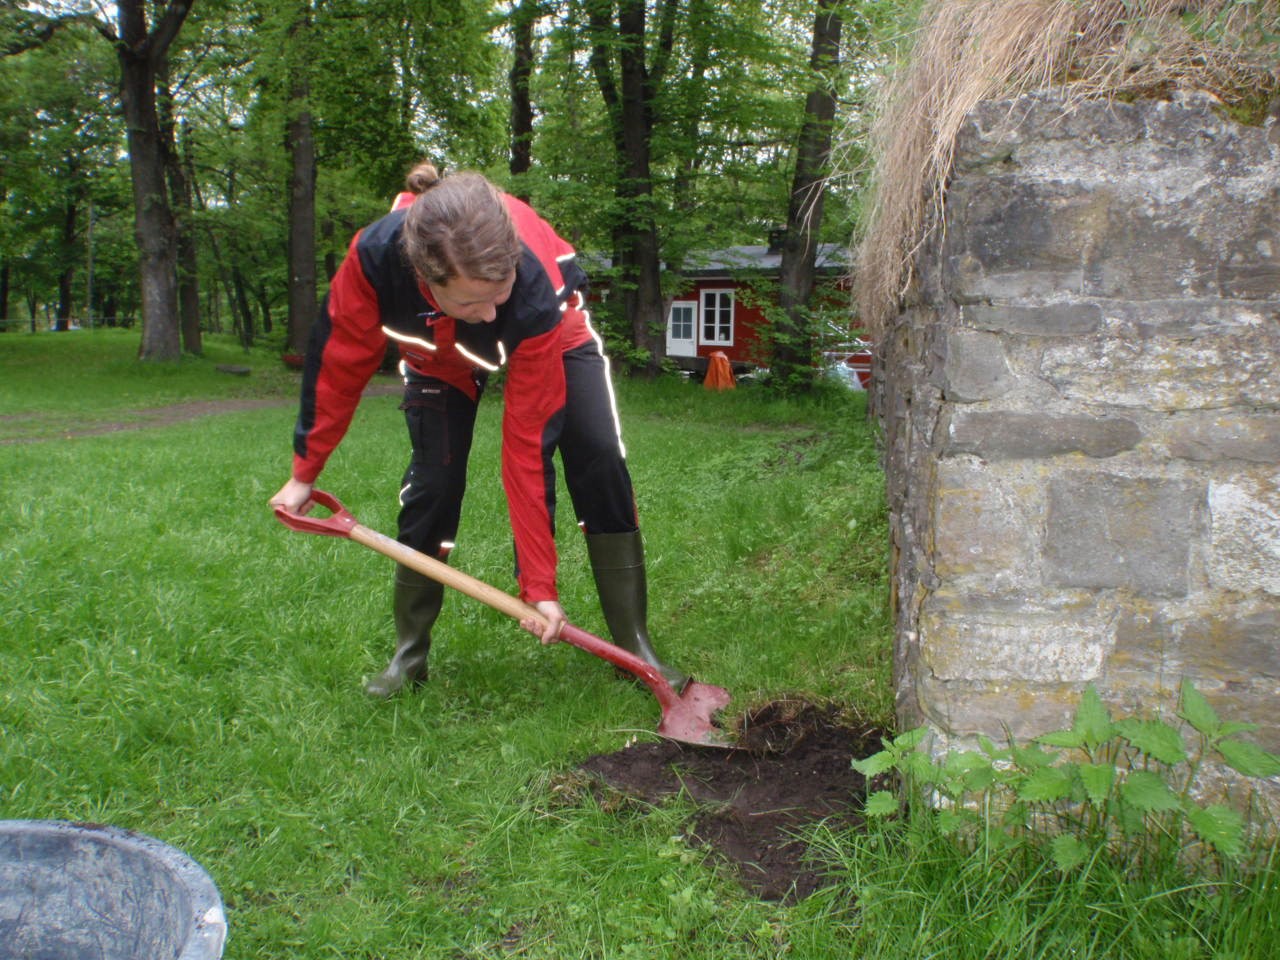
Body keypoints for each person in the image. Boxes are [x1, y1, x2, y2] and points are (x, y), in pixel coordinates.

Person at [269, 162, 689, 698]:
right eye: (471, 301)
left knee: (599, 456)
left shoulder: (531, 288)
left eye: (498, 293)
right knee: (433, 485)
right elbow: (337, 366)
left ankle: (635, 648)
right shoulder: (373, 261)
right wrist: (304, 473)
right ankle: (408, 656)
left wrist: (537, 584)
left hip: (552, 334)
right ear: (425, 280)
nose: (489, 315)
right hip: (438, 354)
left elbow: (527, 443)